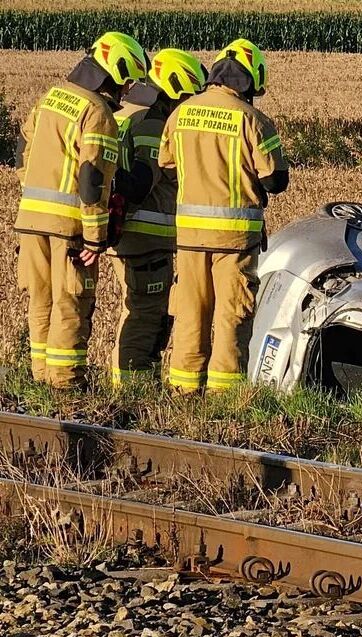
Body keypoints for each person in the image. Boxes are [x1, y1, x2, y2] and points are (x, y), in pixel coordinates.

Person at [14, 32, 148, 388]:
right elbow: (93, 182)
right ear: (114, 72)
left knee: (40, 303)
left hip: (30, 220)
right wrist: (94, 239)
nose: (127, 90)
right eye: (128, 81)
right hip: (69, 227)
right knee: (72, 303)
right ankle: (65, 385)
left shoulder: (49, 98)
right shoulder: (97, 112)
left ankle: (41, 381)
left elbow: (21, 153)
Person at [159, 39, 288, 393]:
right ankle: (224, 398)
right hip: (233, 241)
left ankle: (183, 392)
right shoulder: (253, 120)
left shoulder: (180, 114)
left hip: (188, 240)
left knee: (189, 316)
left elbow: (167, 165)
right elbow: (276, 180)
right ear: (251, 80)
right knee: (232, 317)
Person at [109, 49, 208, 385]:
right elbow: (141, 182)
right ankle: (135, 393)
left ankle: (127, 385)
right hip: (145, 239)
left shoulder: (124, 113)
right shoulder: (153, 123)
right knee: (147, 317)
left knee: (133, 312)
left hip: (127, 235)